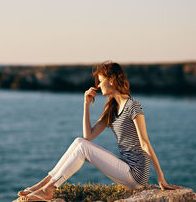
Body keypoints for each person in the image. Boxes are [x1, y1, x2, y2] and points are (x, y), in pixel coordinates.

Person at [13, 61, 182, 202]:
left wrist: (160, 176)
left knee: (82, 147)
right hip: (125, 168)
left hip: (136, 174)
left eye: (101, 81)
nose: (98, 85)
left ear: (112, 80)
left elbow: (144, 142)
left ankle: (49, 189)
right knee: (79, 142)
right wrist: (86, 105)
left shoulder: (133, 106)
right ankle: (42, 185)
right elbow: (88, 135)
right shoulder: (112, 108)